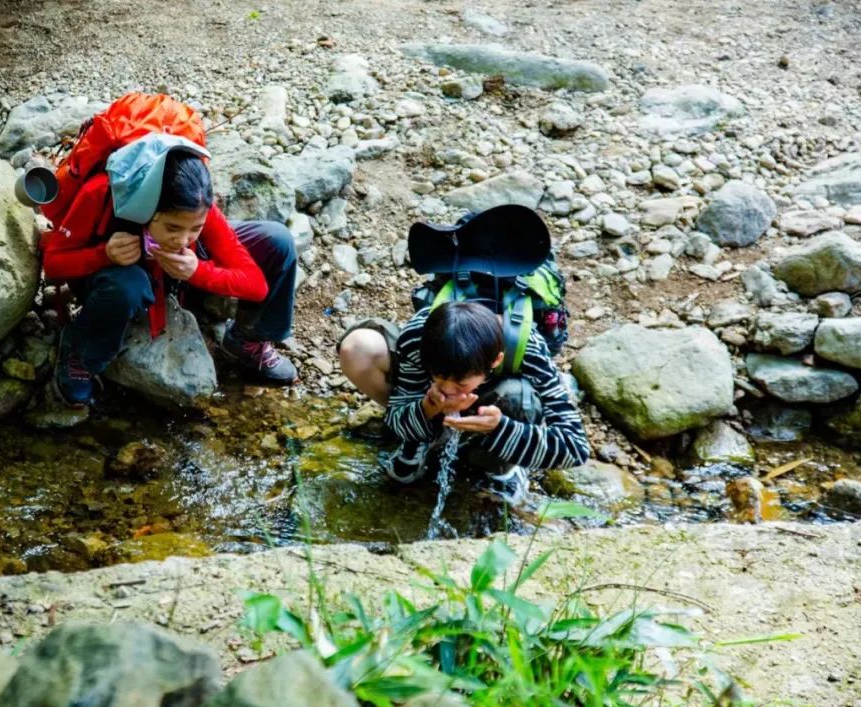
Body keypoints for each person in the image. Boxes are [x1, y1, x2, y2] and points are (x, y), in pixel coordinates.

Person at [40, 139, 299, 407]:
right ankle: (81, 351)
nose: (183, 239)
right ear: (146, 211)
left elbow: (256, 286)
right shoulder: (101, 194)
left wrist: (198, 271)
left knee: (277, 242)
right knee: (127, 286)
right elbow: (54, 263)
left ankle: (247, 340)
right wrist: (103, 254)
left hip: (180, 273)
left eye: (195, 228)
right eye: (173, 228)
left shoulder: (196, 205)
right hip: (115, 275)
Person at [338, 302, 590, 503]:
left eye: (459, 383)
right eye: (439, 377)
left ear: (495, 361)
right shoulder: (419, 336)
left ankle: (503, 468)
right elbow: (396, 416)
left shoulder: (528, 347)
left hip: (497, 399)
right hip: (428, 388)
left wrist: (500, 428)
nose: (448, 390)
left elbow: (576, 448)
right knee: (358, 348)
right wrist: (427, 408)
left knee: (519, 398)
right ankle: (420, 440)